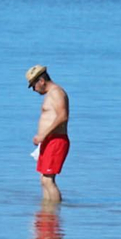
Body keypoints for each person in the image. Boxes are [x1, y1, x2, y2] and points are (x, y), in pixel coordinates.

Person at [26, 65, 70, 205]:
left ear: (41, 81)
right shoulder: (50, 94)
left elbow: (63, 116)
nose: (34, 89)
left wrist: (43, 135)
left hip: (56, 140)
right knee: (43, 179)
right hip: (48, 140)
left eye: (33, 85)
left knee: (47, 180)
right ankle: (46, 213)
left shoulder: (57, 92)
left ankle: (54, 213)